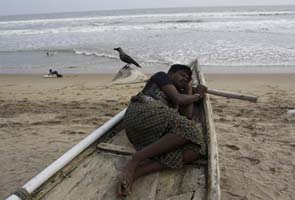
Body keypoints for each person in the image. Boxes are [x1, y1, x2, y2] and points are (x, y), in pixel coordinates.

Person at [117, 64, 207, 196]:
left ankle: (138, 172)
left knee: (197, 150)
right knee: (190, 129)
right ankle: (135, 159)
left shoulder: (179, 95)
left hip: (150, 134)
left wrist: (188, 90)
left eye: (187, 79)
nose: (184, 79)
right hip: (142, 113)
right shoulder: (162, 77)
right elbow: (179, 100)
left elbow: (187, 115)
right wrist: (198, 95)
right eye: (182, 75)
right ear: (171, 73)